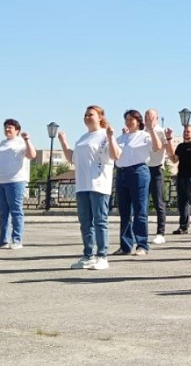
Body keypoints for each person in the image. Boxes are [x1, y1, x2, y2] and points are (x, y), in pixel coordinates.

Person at [58, 105, 120, 270]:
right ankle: (88, 255)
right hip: (82, 184)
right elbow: (72, 158)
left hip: (98, 184)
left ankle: (102, 255)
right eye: (85, 115)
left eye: (90, 114)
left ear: (100, 116)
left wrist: (112, 137)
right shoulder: (83, 138)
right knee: (85, 222)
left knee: (100, 221)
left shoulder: (105, 135)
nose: (87, 117)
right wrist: (63, 142)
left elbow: (116, 156)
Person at [112, 109, 163, 257]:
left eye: (131, 119)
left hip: (138, 172)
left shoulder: (144, 135)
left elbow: (157, 147)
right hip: (121, 173)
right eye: (126, 119)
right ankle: (125, 245)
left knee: (140, 210)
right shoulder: (121, 138)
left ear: (138, 121)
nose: (129, 122)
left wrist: (152, 128)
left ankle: (142, 244)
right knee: (124, 211)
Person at [0, 119, 36, 250]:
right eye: (5, 127)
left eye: (10, 127)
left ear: (17, 130)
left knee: (16, 210)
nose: (7, 130)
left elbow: (32, 155)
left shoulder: (21, 143)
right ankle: (3, 239)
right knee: (3, 211)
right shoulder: (2, 143)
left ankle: (17, 239)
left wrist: (27, 140)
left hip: (15, 180)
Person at [164, 124, 191, 235]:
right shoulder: (180, 146)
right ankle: (183, 227)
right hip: (181, 176)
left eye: (188, 131)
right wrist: (169, 139)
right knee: (182, 203)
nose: (186, 133)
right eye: (185, 131)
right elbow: (174, 159)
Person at [145, 109, 168, 245]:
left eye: (151, 116)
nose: (148, 118)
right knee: (143, 202)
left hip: (157, 168)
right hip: (144, 168)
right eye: (146, 115)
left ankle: (160, 232)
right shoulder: (142, 133)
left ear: (157, 118)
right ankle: (142, 231)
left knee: (159, 202)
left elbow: (161, 147)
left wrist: (152, 129)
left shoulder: (161, 131)